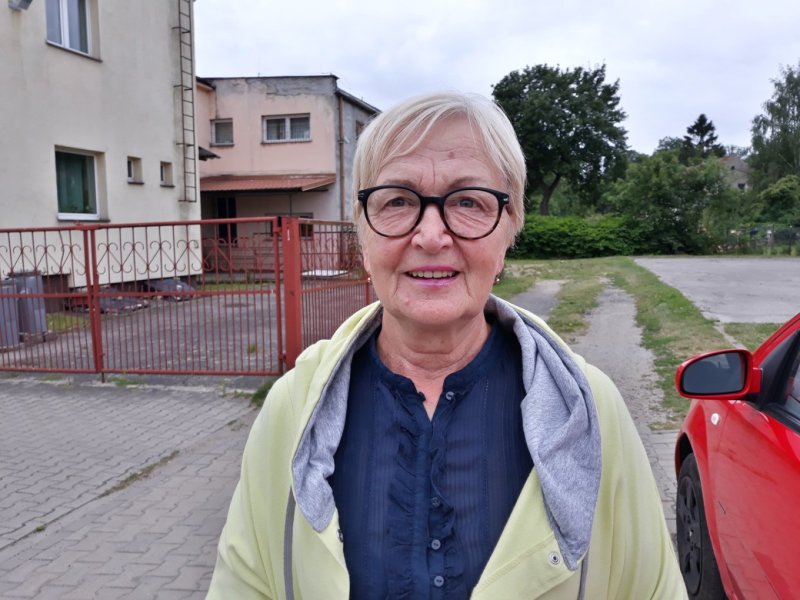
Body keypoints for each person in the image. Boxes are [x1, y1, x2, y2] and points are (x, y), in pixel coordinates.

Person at [206, 92, 686, 599]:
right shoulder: (294, 407)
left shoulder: (587, 408)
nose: (431, 236)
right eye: (397, 200)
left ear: (508, 231)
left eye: (467, 201)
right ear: (363, 236)